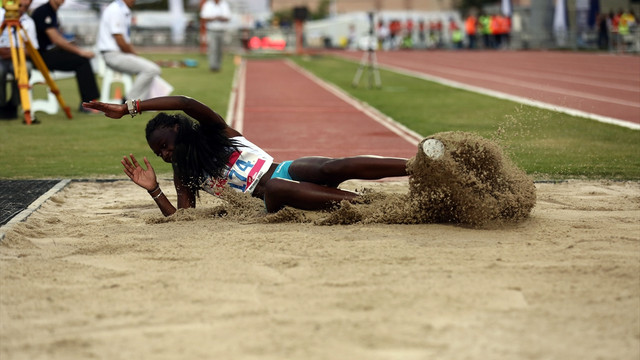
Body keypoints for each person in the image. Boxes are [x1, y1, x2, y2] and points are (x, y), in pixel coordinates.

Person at [82, 96, 411, 215]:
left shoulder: (217, 132)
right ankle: (371, 205)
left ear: (179, 129)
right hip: (269, 202)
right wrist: (155, 190)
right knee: (276, 188)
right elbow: (183, 218)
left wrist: (129, 108)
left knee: (328, 165)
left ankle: (415, 165)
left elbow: (185, 102)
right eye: (159, 152)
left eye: (165, 144)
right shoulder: (186, 174)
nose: (165, 154)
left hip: (282, 169)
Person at [31, 0, 99, 113]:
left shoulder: (52, 12)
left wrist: (69, 45)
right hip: (39, 56)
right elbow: (55, 39)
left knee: (81, 59)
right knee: (82, 60)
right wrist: (80, 51)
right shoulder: (43, 11)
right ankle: (88, 103)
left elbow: (56, 38)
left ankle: (89, 102)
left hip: (48, 53)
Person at [96, 0, 161, 101]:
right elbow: (120, 39)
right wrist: (134, 55)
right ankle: (129, 100)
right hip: (113, 55)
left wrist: (134, 55)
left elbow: (124, 39)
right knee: (151, 69)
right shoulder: (115, 10)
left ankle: (138, 101)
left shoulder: (121, 9)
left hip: (118, 54)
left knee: (151, 68)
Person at [0, 0, 38, 119]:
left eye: (25, 6)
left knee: (25, 70)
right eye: (20, 5)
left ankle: (14, 105)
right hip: (1, 59)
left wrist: (11, 53)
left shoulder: (29, 23)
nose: (21, 9)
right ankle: (1, 104)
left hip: (20, 58)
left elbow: (32, 49)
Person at [199, 0, 230, 72]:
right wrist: (213, 18)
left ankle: (218, 66)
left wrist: (220, 18)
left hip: (222, 30)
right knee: (213, 48)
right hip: (212, 30)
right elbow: (203, 17)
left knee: (220, 49)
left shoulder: (224, 4)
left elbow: (228, 17)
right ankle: (213, 66)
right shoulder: (208, 4)